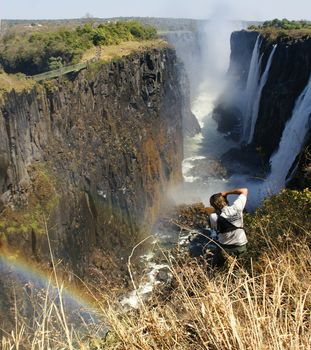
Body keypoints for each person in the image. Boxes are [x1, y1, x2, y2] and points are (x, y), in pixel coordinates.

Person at [209, 188, 248, 263]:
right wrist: (226, 193)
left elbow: (215, 229)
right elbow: (244, 190)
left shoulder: (213, 216)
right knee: (239, 267)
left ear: (213, 205)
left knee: (218, 266)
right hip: (240, 245)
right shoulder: (237, 207)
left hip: (224, 247)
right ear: (225, 200)